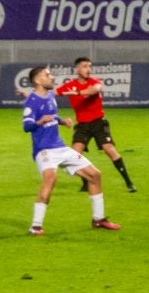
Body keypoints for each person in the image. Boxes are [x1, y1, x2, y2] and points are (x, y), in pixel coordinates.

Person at [21, 64, 118, 235]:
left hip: (60, 147)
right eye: (48, 75)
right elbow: (26, 126)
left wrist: (61, 121)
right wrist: (39, 122)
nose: (52, 77)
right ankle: (35, 226)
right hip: (44, 151)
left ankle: (98, 219)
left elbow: (52, 115)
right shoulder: (31, 101)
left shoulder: (50, 95)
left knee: (95, 175)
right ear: (38, 80)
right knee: (50, 179)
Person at [57, 57, 136, 193]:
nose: (88, 69)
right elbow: (51, 93)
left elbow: (94, 90)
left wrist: (77, 92)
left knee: (109, 149)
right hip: (82, 125)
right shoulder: (70, 85)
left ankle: (128, 182)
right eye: (84, 66)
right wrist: (29, 95)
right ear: (77, 69)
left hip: (98, 122)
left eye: (89, 66)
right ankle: (86, 182)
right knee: (74, 154)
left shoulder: (94, 82)